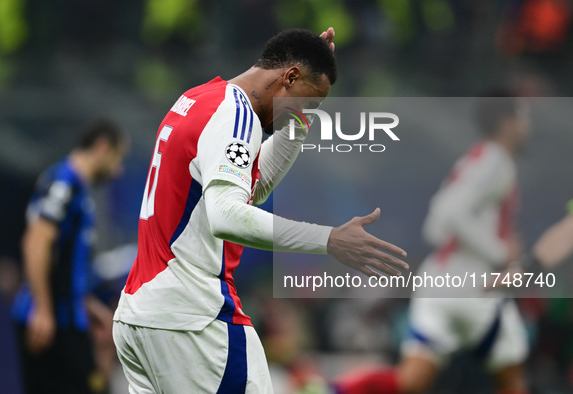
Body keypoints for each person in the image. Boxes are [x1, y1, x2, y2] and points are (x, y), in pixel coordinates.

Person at [112, 27, 408, 393]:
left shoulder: (199, 98)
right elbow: (227, 215)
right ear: (290, 76)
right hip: (193, 319)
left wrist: (301, 116)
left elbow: (253, 188)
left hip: (141, 317)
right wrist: (329, 240)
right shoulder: (237, 116)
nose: (303, 114)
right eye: (307, 102)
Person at [337, 94, 531, 394]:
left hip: (439, 282)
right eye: (522, 118)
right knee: (512, 379)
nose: (526, 126)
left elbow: (436, 226)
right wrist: (500, 251)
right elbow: (448, 213)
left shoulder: (475, 158)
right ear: (506, 123)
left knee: (411, 381)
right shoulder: (497, 162)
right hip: (473, 285)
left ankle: (334, 389)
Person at [12, 119, 128, 394]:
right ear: (102, 147)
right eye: (117, 158)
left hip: (68, 317)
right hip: (52, 322)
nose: (118, 169)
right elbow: (36, 242)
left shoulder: (77, 187)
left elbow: (61, 264)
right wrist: (43, 309)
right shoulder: (65, 183)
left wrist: (87, 305)